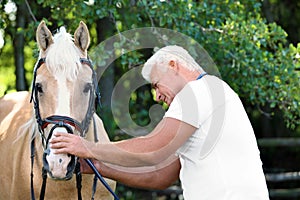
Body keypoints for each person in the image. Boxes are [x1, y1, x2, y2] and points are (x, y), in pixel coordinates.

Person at [50, 45, 270, 199]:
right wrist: (97, 167)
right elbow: (159, 175)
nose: (157, 96)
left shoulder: (199, 91)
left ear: (173, 65)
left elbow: (154, 148)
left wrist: (86, 147)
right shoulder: (211, 95)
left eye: (156, 84)